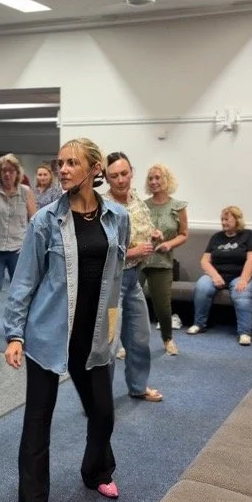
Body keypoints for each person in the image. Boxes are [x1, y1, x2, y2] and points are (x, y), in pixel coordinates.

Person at [4, 137, 130, 502]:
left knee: (103, 415)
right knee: (38, 421)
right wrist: (14, 334)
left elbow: (116, 273)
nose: (63, 169)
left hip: (94, 336)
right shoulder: (45, 221)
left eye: (72, 163)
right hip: (49, 335)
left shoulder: (118, 217)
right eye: (60, 163)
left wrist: (115, 325)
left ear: (94, 169)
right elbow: (24, 281)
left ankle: (97, 471)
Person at [104, 151, 163, 401]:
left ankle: (138, 387)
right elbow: (99, 250)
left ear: (132, 172)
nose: (120, 180)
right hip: (110, 283)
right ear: (106, 178)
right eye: (114, 176)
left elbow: (143, 230)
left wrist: (154, 235)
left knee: (140, 337)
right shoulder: (102, 206)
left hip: (134, 279)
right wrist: (132, 252)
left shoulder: (137, 200)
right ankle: (98, 399)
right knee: (107, 344)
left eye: (124, 174)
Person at [0, 153, 37, 339]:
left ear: (17, 173)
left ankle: (19, 328)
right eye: (4, 171)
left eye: (11, 171)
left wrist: (28, 245)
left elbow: (34, 221)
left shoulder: (25, 192)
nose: (7, 175)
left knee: (20, 290)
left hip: (18, 249)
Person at [186, 205, 252, 345]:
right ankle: (199, 324)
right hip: (218, 274)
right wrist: (215, 276)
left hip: (241, 275)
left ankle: (244, 333)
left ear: (237, 220)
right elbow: (205, 260)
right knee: (202, 286)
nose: (223, 222)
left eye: (227, 219)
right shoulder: (216, 237)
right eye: (222, 219)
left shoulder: (249, 234)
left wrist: (244, 280)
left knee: (241, 293)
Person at [142, 164, 189, 356]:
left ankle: (168, 339)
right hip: (140, 259)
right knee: (128, 302)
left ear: (166, 180)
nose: (154, 182)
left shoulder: (178, 207)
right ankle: (127, 344)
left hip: (162, 262)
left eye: (158, 178)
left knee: (162, 306)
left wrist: (169, 244)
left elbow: (184, 234)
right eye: (151, 178)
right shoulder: (142, 205)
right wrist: (149, 234)